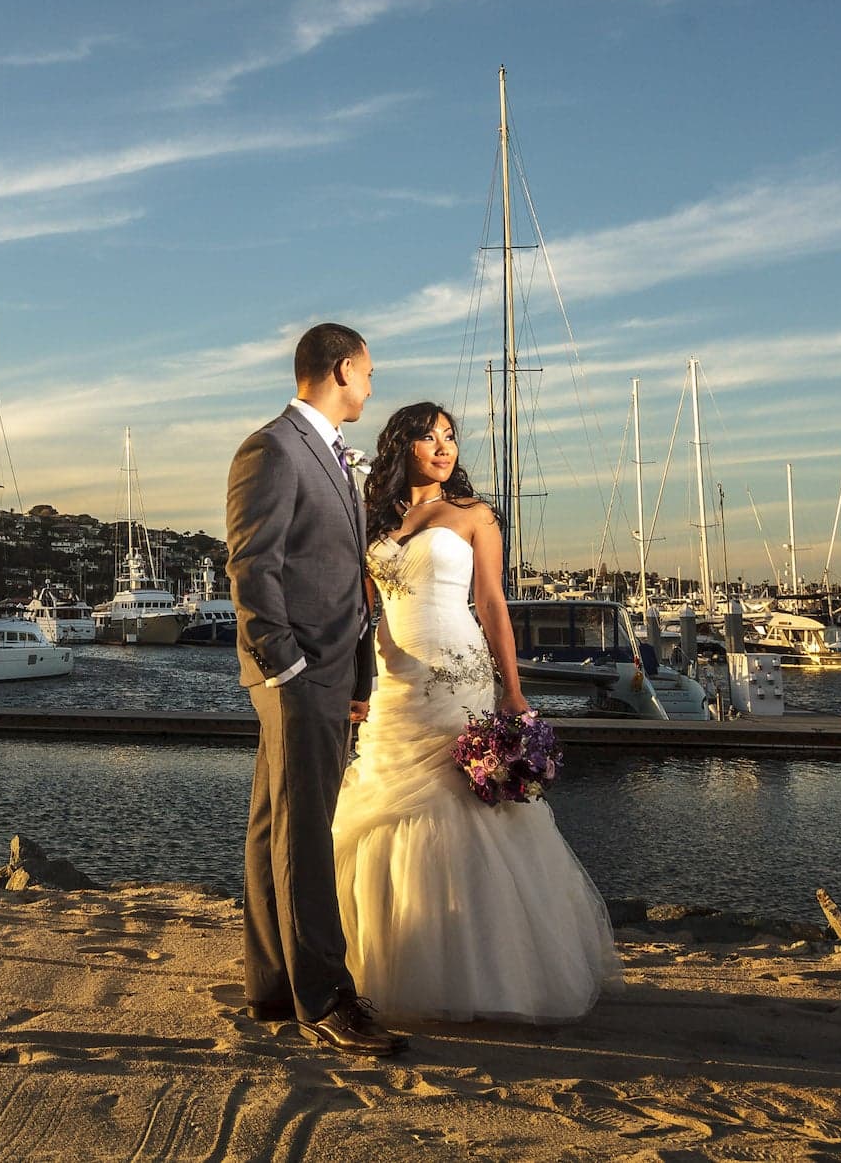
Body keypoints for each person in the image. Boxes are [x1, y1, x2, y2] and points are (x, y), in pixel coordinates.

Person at [333, 401, 618, 1024]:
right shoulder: (370, 519)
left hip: (459, 671)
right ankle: (386, 960)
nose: (444, 446)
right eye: (430, 436)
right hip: (394, 678)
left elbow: (491, 603)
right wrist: (357, 684)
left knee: (463, 804)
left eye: (451, 437)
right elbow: (361, 614)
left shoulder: (473, 515)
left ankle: (491, 971)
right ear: (401, 444)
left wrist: (512, 692)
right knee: (388, 802)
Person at [226, 323, 401, 1056]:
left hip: (328, 669)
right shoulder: (271, 448)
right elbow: (251, 565)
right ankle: (326, 996)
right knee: (306, 833)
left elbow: (339, 569)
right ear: (340, 368)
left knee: (275, 823)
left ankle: (272, 984)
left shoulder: (330, 453)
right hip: (296, 674)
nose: (370, 386)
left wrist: (351, 669)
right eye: (366, 373)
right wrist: (287, 665)